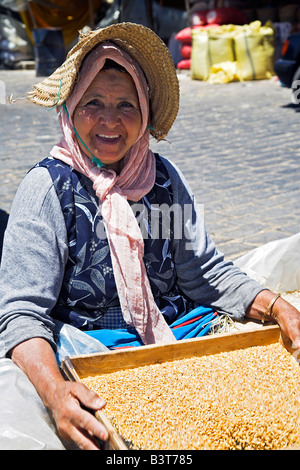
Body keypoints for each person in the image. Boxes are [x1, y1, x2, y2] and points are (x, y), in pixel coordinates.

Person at [0, 22, 300, 451]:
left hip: (176, 336)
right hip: (89, 349)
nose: (110, 120)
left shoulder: (162, 180)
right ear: (68, 107)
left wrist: (275, 304)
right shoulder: (48, 189)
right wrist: (54, 392)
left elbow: (205, 272)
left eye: (126, 104)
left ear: (144, 111)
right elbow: (23, 314)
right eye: (93, 102)